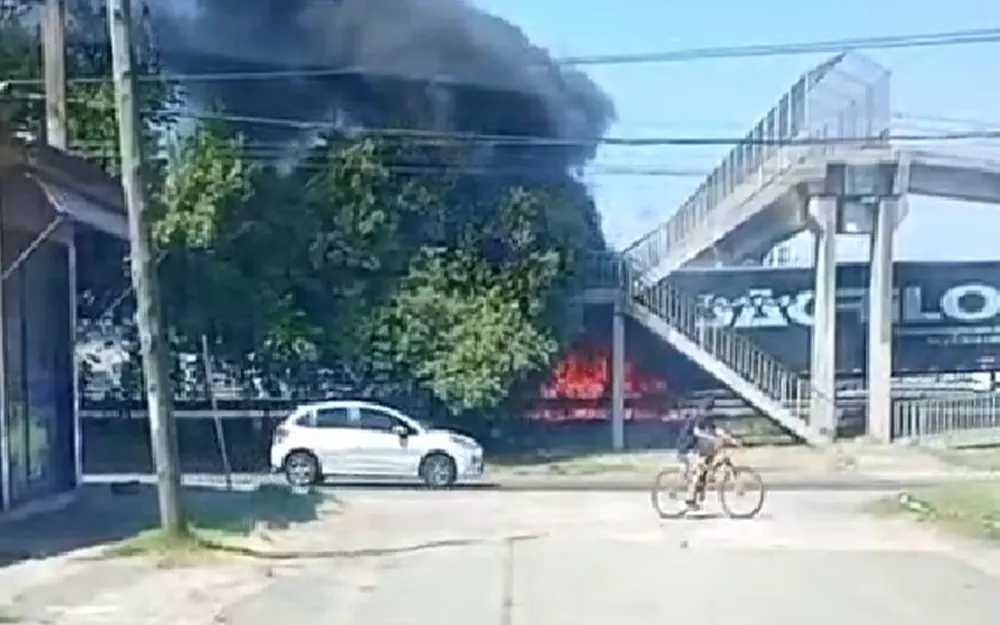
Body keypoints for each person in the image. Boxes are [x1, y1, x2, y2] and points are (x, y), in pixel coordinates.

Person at [676, 398, 738, 508]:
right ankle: (690, 498)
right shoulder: (698, 417)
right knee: (699, 470)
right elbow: (697, 432)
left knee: (708, 462)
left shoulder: (707, 418)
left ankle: (700, 491)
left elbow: (716, 429)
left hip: (697, 447)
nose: (710, 411)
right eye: (709, 409)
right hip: (688, 447)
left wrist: (730, 438)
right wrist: (712, 438)